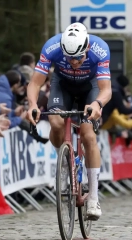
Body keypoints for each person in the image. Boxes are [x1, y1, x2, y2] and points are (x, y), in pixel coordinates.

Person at [26, 22, 112, 220]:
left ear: (87, 48)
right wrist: (32, 104)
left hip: (90, 88)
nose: (73, 62)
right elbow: (35, 82)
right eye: (69, 57)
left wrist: (98, 104)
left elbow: (106, 88)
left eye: (78, 57)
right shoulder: (51, 47)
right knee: (55, 123)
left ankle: (93, 196)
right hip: (62, 85)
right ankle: (64, 159)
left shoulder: (100, 49)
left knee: (88, 134)